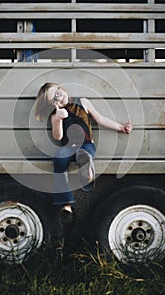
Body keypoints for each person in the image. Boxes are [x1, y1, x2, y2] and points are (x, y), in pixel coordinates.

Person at [35, 82, 132, 228]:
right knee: (59, 159)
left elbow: (100, 119)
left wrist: (120, 127)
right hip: (68, 147)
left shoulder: (83, 102)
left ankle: (87, 173)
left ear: (62, 89)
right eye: (54, 100)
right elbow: (58, 137)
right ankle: (65, 205)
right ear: (51, 105)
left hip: (87, 144)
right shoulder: (56, 115)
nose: (59, 98)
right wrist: (58, 119)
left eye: (58, 92)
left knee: (85, 153)